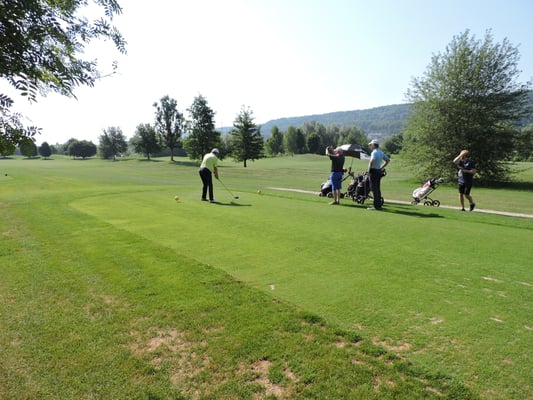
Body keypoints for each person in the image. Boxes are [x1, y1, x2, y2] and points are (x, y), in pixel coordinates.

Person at [367, 139, 390, 210]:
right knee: (377, 188)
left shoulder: (374, 152)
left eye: (371, 145)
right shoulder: (381, 152)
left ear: (374, 145)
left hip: (373, 171)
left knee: (374, 189)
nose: (370, 146)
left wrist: (369, 169)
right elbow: (387, 160)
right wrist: (381, 168)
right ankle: (379, 205)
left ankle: (376, 206)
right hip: (378, 172)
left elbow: (372, 161)